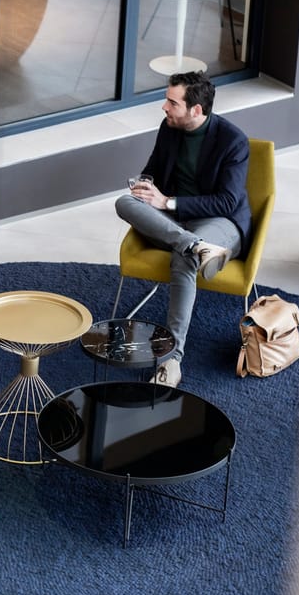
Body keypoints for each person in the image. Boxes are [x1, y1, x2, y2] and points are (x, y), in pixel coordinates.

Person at [115, 71, 251, 388]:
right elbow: (152, 170)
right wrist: (145, 188)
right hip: (176, 224)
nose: (164, 107)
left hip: (219, 223)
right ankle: (194, 245)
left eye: (172, 102)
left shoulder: (233, 141)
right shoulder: (170, 128)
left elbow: (227, 202)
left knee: (183, 259)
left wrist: (168, 202)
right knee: (124, 203)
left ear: (196, 110)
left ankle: (171, 361)